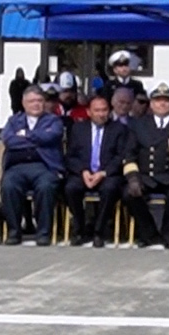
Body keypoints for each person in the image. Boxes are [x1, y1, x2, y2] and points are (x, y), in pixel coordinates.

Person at [123, 83, 169, 249]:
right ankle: (147, 233)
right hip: (146, 175)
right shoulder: (139, 124)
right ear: (151, 103)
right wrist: (133, 177)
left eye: (166, 100)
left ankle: (168, 235)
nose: (161, 104)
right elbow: (129, 153)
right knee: (129, 194)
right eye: (157, 100)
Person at [63, 92, 133, 247]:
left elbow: (121, 155)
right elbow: (71, 156)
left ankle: (99, 231)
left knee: (110, 189)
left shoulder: (119, 129)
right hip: (85, 172)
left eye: (104, 110)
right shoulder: (78, 129)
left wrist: (103, 173)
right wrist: (83, 171)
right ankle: (80, 227)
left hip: (107, 173)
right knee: (71, 188)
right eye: (97, 110)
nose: (101, 114)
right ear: (89, 112)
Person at [0, 86, 65, 246]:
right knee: (8, 185)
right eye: (32, 101)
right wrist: (37, 138)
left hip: (44, 167)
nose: (36, 104)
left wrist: (25, 135)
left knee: (46, 187)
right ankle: (14, 232)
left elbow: (52, 136)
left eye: (39, 101)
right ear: (23, 103)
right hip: (17, 167)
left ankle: (43, 233)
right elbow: (9, 140)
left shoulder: (53, 121)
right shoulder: (14, 121)